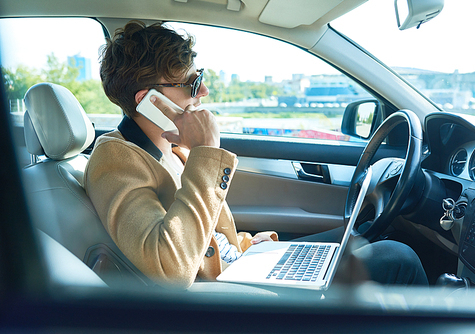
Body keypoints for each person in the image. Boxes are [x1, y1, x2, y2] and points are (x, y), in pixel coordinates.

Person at [84, 21, 427, 290]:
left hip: (242, 266)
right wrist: (206, 152)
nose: (203, 90)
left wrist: (249, 246)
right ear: (150, 101)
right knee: (398, 257)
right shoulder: (115, 159)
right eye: (191, 83)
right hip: (223, 297)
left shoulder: (170, 148)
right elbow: (169, 266)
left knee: (361, 236)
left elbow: (208, 236)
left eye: (199, 78)